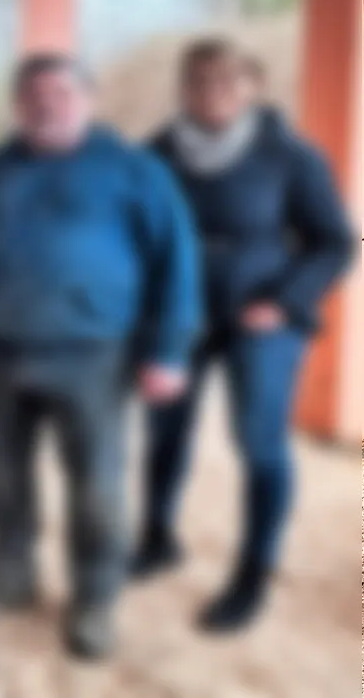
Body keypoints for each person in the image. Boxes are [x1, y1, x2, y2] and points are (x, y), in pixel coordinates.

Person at [0, 54, 201, 659]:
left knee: (96, 485)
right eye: (34, 95)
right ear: (18, 104)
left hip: (93, 357)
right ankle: (9, 575)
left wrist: (166, 352)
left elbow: (175, 264)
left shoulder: (134, 173)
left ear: (87, 100)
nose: (46, 104)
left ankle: (95, 599)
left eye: (59, 93)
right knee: (3, 478)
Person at [132, 38, 351, 631]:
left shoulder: (289, 156)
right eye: (199, 82)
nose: (213, 93)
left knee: (259, 441)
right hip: (179, 316)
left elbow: (331, 242)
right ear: (184, 89)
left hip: (263, 319)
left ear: (250, 87)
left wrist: (283, 302)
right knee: (164, 428)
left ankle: (252, 574)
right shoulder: (153, 156)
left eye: (226, 81)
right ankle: (155, 537)